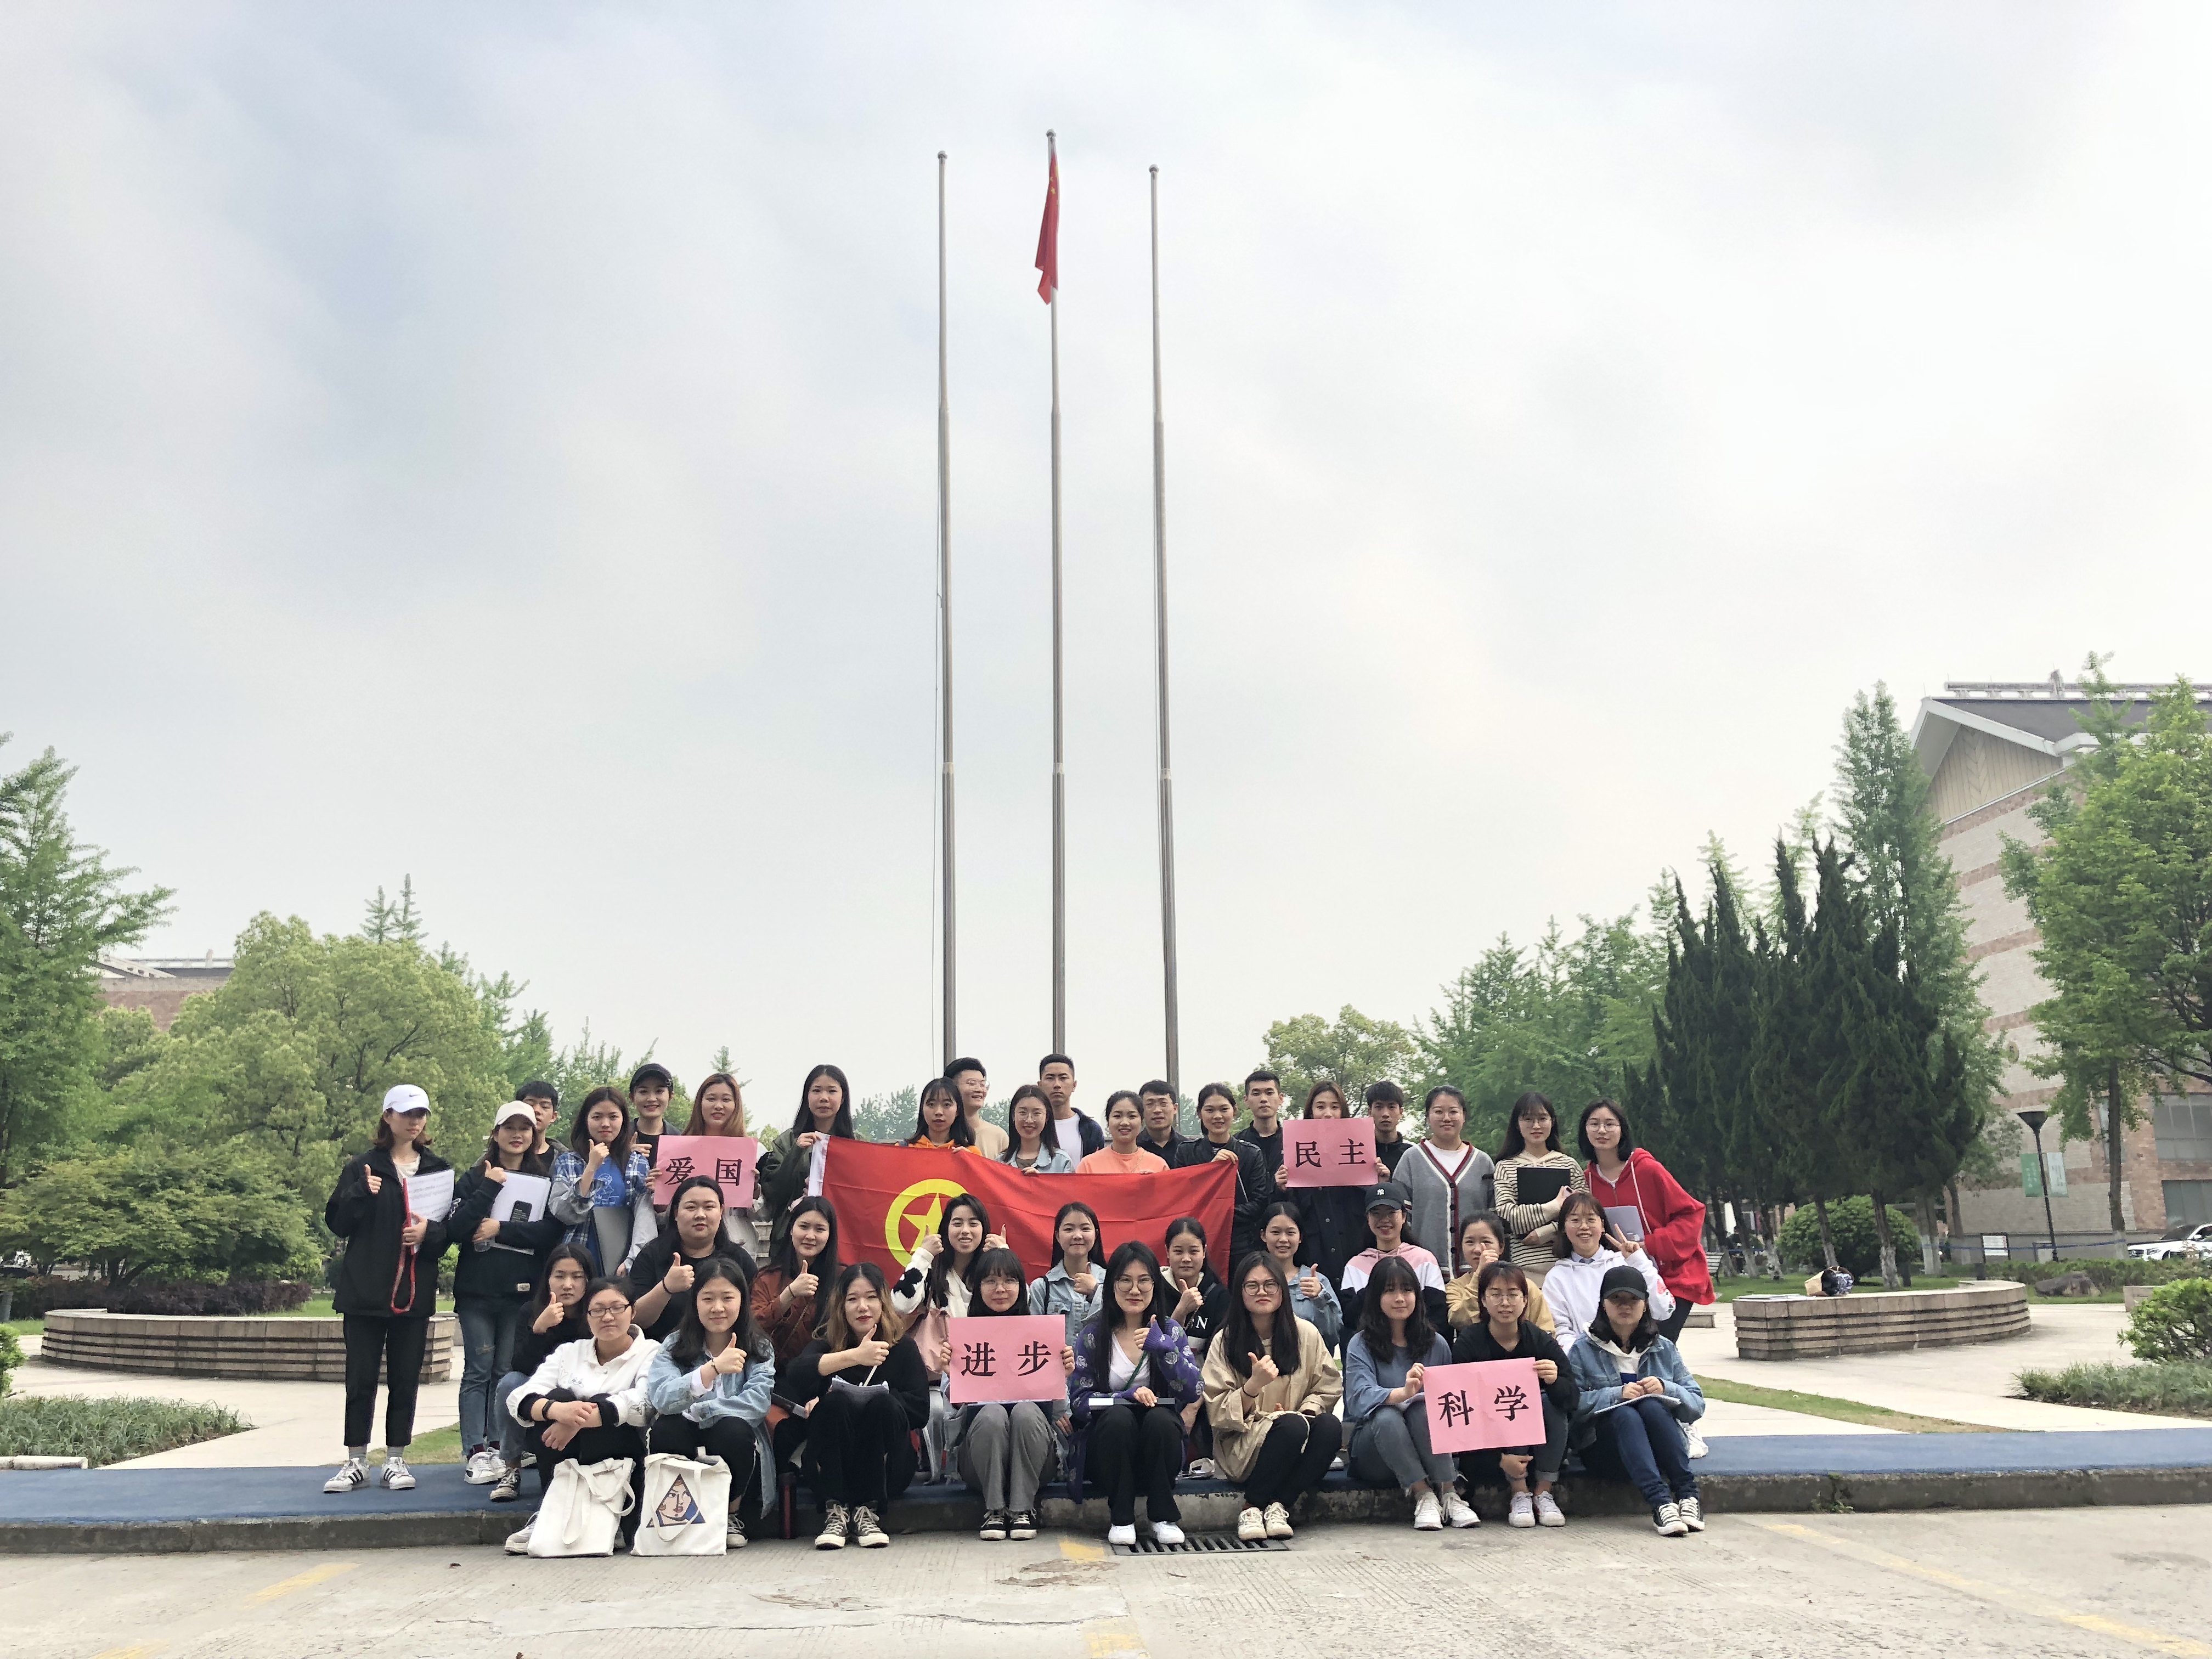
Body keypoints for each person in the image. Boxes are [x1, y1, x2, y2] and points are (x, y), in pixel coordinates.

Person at [322, 1084, 454, 1494]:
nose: (415, 1121)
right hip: (365, 1292)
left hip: (413, 1294)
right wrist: (360, 1194)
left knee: (405, 1378)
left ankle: (396, 1458)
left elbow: (447, 1233)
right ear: (388, 1116)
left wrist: (428, 1234)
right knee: (360, 1379)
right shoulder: (363, 1166)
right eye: (407, 1113)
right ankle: (355, 1460)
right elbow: (338, 1223)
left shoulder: (437, 1170)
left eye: (421, 1114)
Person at [447, 1102, 565, 1485]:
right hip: (477, 1291)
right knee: (477, 1370)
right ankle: (475, 1450)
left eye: (525, 1129)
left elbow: (549, 1232)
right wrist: (490, 1187)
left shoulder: (544, 1179)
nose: (517, 1135)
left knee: (505, 1371)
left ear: (534, 1134)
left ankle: (501, 1446)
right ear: (495, 1133)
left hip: (521, 1293)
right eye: (509, 1128)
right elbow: (457, 1228)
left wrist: (501, 1229)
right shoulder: (474, 1177)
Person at [503, 1277, 661, 1555]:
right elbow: (519, 1397)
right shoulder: (569, 1352)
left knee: (604, 1406)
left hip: (622, 1454)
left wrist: (579, 1420)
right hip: (566, 1449)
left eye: (617, 1308)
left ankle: (608, 1516)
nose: (608, 1317)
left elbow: (644, 1402)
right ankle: (552, 1510)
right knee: (558, 1398)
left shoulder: (652, 1352)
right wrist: (558, 1411)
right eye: (597, 1310)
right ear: (587, 1317)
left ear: (633, 1311)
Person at [784, 1262, 933, 1549]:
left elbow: (920, 1410)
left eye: (871, 1297)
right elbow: (796, 1375)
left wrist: (877, 1399)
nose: (862, 1307)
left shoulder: (902, 1347)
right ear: (841, 1306)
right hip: (831, 1466)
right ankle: (836, 1510)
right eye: (853, 1299)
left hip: (887, 1467)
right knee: (835, 1403)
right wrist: (854, 1357)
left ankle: (869, 1510)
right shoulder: (827, 1343)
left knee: (881, 1405)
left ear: (883, 1301)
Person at [1201, 1252, 1343, 1542]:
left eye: (1270, 1285)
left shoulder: (1306, 1334)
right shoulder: (1225, 1341)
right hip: (1242, 1443)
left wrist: (1306, 1412)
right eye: (1252, 1286)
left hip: (1296, 1431)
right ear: (1240, 1292)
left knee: (1329, 1427)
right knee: (1290, 1427)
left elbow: (1328, 1386)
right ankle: (1251, 1507)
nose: (1262, 1292)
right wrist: (1252, 1387)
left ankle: (1279, 1505)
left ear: (1282, 1290)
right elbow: (1217, 1412)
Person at [1070, 1242, 1203, 1546]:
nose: (1135, 1290)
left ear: (1155, 1285)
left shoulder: (1171, 1331)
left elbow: (1193, 1390)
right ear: (1111, 1285)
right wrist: (1125, 1397)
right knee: (1119, 1418)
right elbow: (1078, 1401)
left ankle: (1163, 1516)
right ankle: (1121, 1518)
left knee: (1160, 1420)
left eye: (1144, 1281)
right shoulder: (1093, 1335)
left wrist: (1165, 1350)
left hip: (1159, 1448)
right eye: (1125, 1281)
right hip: (1110, 1449)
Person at [644, 1256, 775, 1548]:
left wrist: (703, 1410)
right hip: (683, 1434)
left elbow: (757, 1404)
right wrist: (710, 1371)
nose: (718, 1308)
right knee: (668, 1427)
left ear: (742, 1300)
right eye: (708, 1298)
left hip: (734, 1442)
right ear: (695, 1303)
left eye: (727, 1298)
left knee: (733, 1429)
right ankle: (676, 1515)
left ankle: (730, 1515)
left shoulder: (759, 1347)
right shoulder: (674, 1345)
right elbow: (661, 1398)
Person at [1567, 1265, 1706, 1536]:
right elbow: (1572, 1404)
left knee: (1652, 1405)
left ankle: (1688, 1496)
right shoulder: (1583, 1349)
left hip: (1659, 1448)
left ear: (1645, 1304)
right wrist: (1616, 1394)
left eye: (1633, 1299)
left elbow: (1697, 1404)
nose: (1625, 1306)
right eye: (1616, 1299)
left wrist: (1666, 1388)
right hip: (1605, 1452)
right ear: (1603, 1304)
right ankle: (1661, 1503)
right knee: (1625, 1413)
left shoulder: (1663, 1347)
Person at [1344, 1255, 1476, 1530]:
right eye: (1389, 1291)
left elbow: (1450, 1408)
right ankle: (1423, 1494)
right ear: (1376, 1297)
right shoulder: (1360, 1344)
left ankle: (1449, 1493)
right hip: (1375, 1450)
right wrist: (1403, 1393)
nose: (1400, 1298)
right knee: (1387, 1416)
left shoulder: (1436, 1344)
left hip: (1430, 1450)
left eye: (1407, 1290)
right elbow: (1358, 1399)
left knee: (1422, 1410)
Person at [950, 1248, 1072, 1541]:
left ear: (1021, 1287)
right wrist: (950, 1374)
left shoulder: (1040, 1336)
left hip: (1036, 1460)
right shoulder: (963, 1340)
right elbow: (953, 1417)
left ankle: (1022, 1509)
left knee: (1026, 1411)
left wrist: (1062, 1374)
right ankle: (994, 1510)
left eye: (1009, 1281)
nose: (1000, 1289)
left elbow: (1060, 1414)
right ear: (978, 1287)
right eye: (991, 1281)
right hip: (979, 1461)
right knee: (992, 1414)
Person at [1453, 1261, 1576, 1527]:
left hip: (1540, 1449)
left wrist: (1555, 1380)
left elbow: (1571, 1398)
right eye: (1496, 1294)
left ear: (1525, 1300)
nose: (1505, 1303)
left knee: (1547, 1400)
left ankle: (1543, 1492)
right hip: (1487, 1449)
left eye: (1513, 1295)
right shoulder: (1469, 1343)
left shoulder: (1540, 1340)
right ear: (1483, 1300)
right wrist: (1499, 1459)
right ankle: (1519, 1493)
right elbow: (1461, 1412)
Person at [1578, 1097, 1712, 1341]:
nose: (1602, 1130)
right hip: (1625, 1281)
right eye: (1594, 1124)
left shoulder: (1648, 1170)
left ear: (1622, 1130)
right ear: (1584, 1130)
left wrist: (1648, 1245)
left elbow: (1691, 1214)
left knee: (1658, 1345)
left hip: (1673, 1274)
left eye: (1610, 1124)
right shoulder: (1585, 1182)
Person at [488, 1244, 592, 1503]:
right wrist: (540, 1329)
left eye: (577, 1277)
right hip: (540, 1387)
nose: (568, 1285)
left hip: (583, 1387)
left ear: (588, 1280)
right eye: (560, 1276)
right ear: (548, 1279)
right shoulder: (531, 1311)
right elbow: (520, 1366)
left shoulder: (596, 1313)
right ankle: (512, 1468)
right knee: (509, 1384)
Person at [622, 1176, 758, 1342]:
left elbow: (756, 1313)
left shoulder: (739, 1259)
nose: (700, 1215)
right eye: (691, 1207)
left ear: (721, 1212)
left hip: (726, 1350)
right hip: (660, 1350)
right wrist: (666, 1288)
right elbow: (633, 1319)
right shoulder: (652, 1255)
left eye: (709, 1207)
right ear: (676, 1212)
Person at [1545, 1192, 1673, 1352]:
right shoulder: (1556, 1277)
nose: (1584, 1226)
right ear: (1564, 1227)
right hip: (1585, 1361)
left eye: (1591, 1219)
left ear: (1603, 1225)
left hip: (1636, 1355)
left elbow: (1664, 1309)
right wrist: (1586, 1357)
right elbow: (1560, 1330)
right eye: (1575, 1220)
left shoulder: (1625, 1262)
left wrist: (1638, 1261)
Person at [550, 1085, 658, 1274]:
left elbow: (644, 1217)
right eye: (597, 1117)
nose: (605, 1124)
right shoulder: (568, 1161)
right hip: (576, 1258)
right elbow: (563, 1213)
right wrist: (591, 1168)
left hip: (620, 1259)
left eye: (613, 1117)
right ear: (586, 1120)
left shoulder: (637, 1163)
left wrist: (633, 1259)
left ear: (624, 1120)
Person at [1401, 1085, 1497, 1272]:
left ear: (1464, 1116)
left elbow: (1494, 1220)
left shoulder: (1483, 1162)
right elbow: (1403, 1219)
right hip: (1425, 1271)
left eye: (1453, 1112)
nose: (1446, 1118)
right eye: (1439, 1112)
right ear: (1428, 1117)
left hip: (1476, 1271)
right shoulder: (1411, 1159)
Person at [760, 1064, 854, 1252]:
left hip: (840, 1241)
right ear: (807, 1096)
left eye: (832, 1091)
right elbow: (772, 1190)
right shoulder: (788, 1140)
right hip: (789, 1240)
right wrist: (796, 1152)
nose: (824, 1098)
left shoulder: (855, 1144)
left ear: (843, 1098)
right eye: (816, 1091)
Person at [1171, 1082, 1269, 1262]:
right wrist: (1212, 1170)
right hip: (1196, 1244)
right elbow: (1181, 1198)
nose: (1217, 1116)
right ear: (1199, 1113)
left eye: (1224, 1109)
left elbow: (1259, 1203)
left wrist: (1220, 1213)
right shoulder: (1186, 1152)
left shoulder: (1251, 1153)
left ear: (1235, 1111)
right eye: (1210, 1110)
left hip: (1240, 1244)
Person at [1494, 1091, 1587, 1274]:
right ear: (1517, 1124)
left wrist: (1546, 1232)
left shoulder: (1569, 1165)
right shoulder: (1505, 1167)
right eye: (1528, 1119)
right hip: (1523, 1268)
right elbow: (1507, 1217)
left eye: (1543, 1118)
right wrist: (1556, 1206)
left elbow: (1586, 1214)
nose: (1536, 1126)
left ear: (1552, 1122)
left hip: (1569, 1265)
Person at [1339, 1179, 1448, 1332]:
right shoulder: (1355, 1266)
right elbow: (1350, 1319)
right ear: (1368, 1218)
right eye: (1376, 1213)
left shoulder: (1425, 1260)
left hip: (1419, 1343)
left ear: (1403, 1216)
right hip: (1371, 1344)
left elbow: (1438, 1315)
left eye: (1391, 1213)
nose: (1384, 1220)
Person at [1293, 1082, 1373, 1288]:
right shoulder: (1295, 1154)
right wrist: (1281, 1187)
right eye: (1320, 1107)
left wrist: (1379, 1181)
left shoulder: (1361, 1151)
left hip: (1356, 1261)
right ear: (1310, 1113)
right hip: (1313, 1263)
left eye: (1335, 1107)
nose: (1328, 1114)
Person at [751, 1195, 839, 1369]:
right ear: (791, 1229)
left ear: (830, 1234)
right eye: (804, 1227)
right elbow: (752, 1327)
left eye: (820, 1229)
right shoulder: (767, 1278)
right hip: (774, 1375)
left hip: (826, 1374)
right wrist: (789, 1294)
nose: (810, 1236)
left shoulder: (843, 1278)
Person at [890, 1192, 1003, 1322]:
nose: (965, 1231)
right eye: (957, 1224)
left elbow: (1019, 1307)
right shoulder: (930, 1270)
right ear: (946, 1229)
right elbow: (900, 1306)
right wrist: (923, 1255)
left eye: (973, 1224)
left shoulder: (992, 1269)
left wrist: (1003, 1256)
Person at [1444, 1211, 1555, 1333]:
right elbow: (1458, 1321)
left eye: (1486, 1242)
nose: (1478, 1249)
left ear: (1501, 1247)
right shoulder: (1456, 1287)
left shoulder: (1524, 1285)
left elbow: (1546, 1331)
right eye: (1470, 1242)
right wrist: (1479, 1275)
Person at [1258, 1201, 1342, 1348]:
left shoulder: (1316, 1280)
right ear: (1263, 1235)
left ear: (1301, 1237)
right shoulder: (1253, 1278)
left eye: (1290, 1233)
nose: (1283, 1239)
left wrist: (1319, 1298)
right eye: (1276, 1232)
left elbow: (1333, 1335)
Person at [1029, 1201, 1103, 1344]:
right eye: (1069, 1229)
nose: (1077, 1236)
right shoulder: (1042, 1288)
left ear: (1096, 1235)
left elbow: (1122, 1325)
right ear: (1057, 1236)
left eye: (1085, 1229)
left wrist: (1096, 1292)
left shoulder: (1112, 1281)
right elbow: (1033, 1340)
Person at [1079, 1092, 1170, 1175]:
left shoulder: (1159, 1165)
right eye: (1117, 1116)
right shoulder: (1088, 1165)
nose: (1125, 1123)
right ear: (1108, 1121)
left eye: (1132, 1116)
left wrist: (1155, 1184)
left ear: (1142, 1121)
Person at [1039, 1053, 1105, 1161]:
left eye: (1063, 1078)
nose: (1057, 1085)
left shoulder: (1091, 1130)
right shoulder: (1031, 1127)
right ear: (1040, 1085)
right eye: (1050, 1078)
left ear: (1074, 1085)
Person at [1233, 1069, 1290, 1190]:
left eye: (1269, 1093)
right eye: (1256, 1094)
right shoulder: (1236, 1144)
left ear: (1281, 1098)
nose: (1264, 1099)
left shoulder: (1296, 1142)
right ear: (1246, 1100)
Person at [1000, 1085, 1077, 1173]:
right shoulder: (1000, 1162)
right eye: (1023, 1113)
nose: (1029, 1120)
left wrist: (1040, 1180)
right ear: (1013, 1115)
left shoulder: (1062, 1162)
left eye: (1037, 1113)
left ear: (1047, 1117)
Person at [945, 1057, 1010, 1157]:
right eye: (972, 1083)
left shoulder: (998, 1136)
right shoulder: (940, 1133)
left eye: (983, 1084)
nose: (980, 1090)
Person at [906, 1076, 979, 1151]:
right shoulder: (905, 1149)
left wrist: (968, 1158)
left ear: (958, 1110)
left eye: (947, 1105)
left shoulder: (970, 1152)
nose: (939, 1112)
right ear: (922, 1109)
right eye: (931, 1104)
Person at [629, 1062, 676, 1164]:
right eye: (643, 1092)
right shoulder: (618, 1137)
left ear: (670, 1096)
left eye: (659, 1091)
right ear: (632, 1097)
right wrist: (624, 1157)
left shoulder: (679, 1141)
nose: (651, 1099)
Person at [1364, 1081, 1412, 1177]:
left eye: (1392, 1107)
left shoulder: (1412, 1153)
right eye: (1379, 1107)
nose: (1385, 1114)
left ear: (1401, 1112)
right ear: (1370, 1112)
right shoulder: (1360, 1153)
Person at [1138, 1080, 1188, 1163]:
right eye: (1150, 1104)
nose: (1157, 1110)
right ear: (1141, 1110)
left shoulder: (1188, 1149)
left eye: (1163, 1104)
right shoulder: (1132, 1149)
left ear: (1175, 1108)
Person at [520, 1079, 561, 1158]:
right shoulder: (499, 1155)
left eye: (544, 1106)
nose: (536, 1110)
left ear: (553, 1116)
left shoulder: (568, 1160)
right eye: (530, 1104)